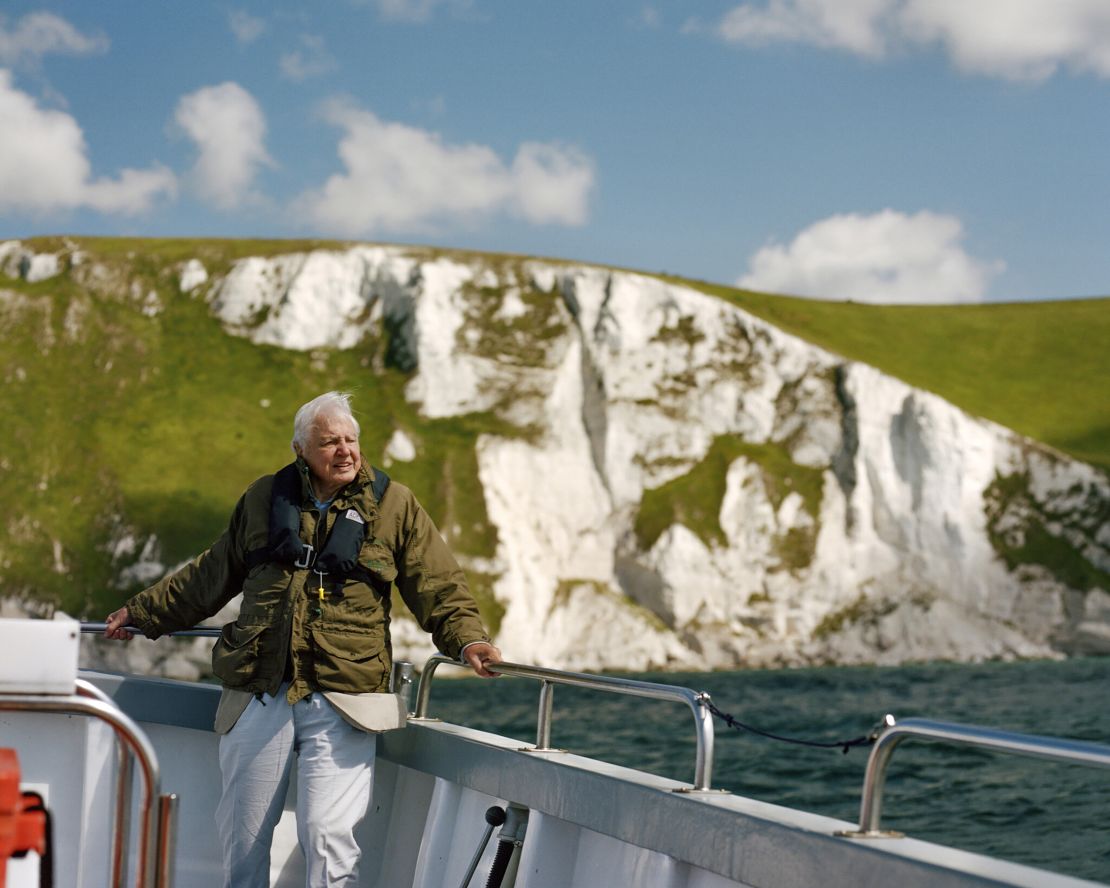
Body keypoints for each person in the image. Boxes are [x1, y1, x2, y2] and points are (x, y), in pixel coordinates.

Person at [105, 391, 501, 887]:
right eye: (329, 441)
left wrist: (468, 641)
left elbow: (438, 585)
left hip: (345, 695)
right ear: (301, 449)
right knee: (243, 839)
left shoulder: (395, 504)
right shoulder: (263, 498)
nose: (345, 451)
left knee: (328, 836)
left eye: (351, 439)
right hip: (260, 689)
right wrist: (142, 613)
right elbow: (211, 574)